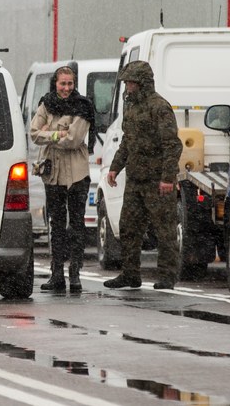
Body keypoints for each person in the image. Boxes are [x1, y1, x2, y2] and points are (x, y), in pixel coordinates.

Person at [104, 60, 184, 290]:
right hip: (136, 179)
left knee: (165, 230)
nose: (128, 87)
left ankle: (168, 276)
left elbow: (172, 145)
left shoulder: (159, 107)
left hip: (157, 181)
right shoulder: (130, 107)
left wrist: (167, 178)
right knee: (128, 228)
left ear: (142, 83)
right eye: (127, 82)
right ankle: (130, 274)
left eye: (131, 82)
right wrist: (115, 167)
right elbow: (128, 141)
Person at [29, 65, 95, 293]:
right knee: (56, 225)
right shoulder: (46, 103)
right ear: (55, 84)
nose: (66, 88)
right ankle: (57, 274)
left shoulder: (83, 106)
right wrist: (59, 132)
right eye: (62, 83)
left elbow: (74, 140)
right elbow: (34, 133)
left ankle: (75, 274)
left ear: (74, 84)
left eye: (69, 83)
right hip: (52, 174)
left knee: (76, 224)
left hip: (77, 174)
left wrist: (49, 131)